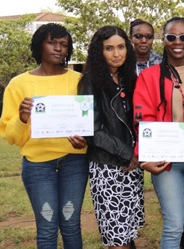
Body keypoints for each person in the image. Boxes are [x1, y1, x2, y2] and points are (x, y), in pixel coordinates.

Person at [1, 23, 88, 249]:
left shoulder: (78, 80)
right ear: (39, 43)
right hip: (38, 166)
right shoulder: (18, 84)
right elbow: (11, 137)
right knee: (47, 227)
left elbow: (89, 122)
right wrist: (21, 118)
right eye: (52, 42)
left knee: (71, 224)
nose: (58, 48)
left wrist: (85, 140)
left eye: (63, 44)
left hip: (74, 162)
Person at [134, 17, 184, 249]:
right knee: (175, 223)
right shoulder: (148, 76)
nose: (178, 42)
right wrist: (144, 156)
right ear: (164, 40)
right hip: (165, 160)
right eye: (171, 37)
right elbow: (141, 118)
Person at [80, 26, 144, 249]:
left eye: (121, 47)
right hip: (107, 167)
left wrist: (136, 154)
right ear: (100, 52)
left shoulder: (129, 78)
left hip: (131, 165)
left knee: (127, 232)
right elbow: (91, 130)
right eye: (109, 48)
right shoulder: (89, 81)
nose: (117, 53)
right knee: (116, 237)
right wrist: (128, 154)